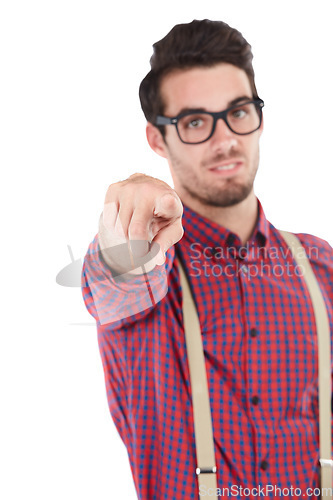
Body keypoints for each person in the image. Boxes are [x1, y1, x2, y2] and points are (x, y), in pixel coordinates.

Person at [82, 19, 333, 499]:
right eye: (195, 121)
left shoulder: (321, 264)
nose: (225, 140)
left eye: (238, 111)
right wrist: (128, 234)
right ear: (158, 139)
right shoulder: (152, 270)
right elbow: (115, 281)